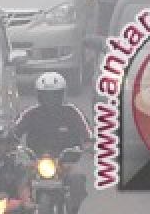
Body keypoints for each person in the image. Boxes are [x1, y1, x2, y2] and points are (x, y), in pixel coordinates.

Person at [13, 73, 91, 213]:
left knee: (77, 178)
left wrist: (88, 144)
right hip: (36, 161)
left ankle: (73, 209)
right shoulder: (31, 113)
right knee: (19, 178)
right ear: (39, 96)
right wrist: (9, 145)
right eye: (46, 95)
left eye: (55, 95)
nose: (50, 99)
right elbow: (13, 133)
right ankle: (24, 207)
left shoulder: (72, 112)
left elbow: (87, 132)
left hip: (67, 163)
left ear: (62, 95)